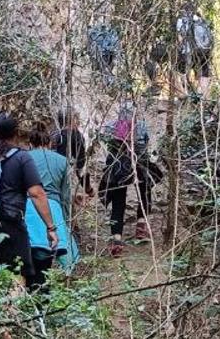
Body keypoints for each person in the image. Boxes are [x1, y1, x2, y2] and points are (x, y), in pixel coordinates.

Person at [0, 112, 57, 289]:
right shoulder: (21, 158)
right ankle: (14, 307)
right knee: (16, 275)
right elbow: (36, 193)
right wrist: (50, 227)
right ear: (16, 132)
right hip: (10, 226)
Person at [98, 107, 157, 257]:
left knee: (118, 203)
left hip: (117, 168)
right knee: (145, 191)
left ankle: (116, 240)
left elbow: (106, 144)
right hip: (138, 163)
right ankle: (141, 225)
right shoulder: (141, 127)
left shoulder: (111, 126)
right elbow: (145, 146)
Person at [25, 124, 79, 280]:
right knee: (59, 251)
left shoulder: (23, 159)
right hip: (53, 209)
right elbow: (66, 196)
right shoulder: (62, 161)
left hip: (27, 209)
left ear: (30, 143)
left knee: (29, 254)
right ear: (49, 143)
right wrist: (68, 220)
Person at [176, 4, 214, 97]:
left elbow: (180, 38)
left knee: (181, 70)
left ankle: (185, 94)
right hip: (204, 51)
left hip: (189, 51)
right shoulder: (201, 20)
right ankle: (204, 97)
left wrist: (180, 48)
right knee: (204, 71)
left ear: (183, 11)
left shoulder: (181, 20)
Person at [52, 109, 91, 196]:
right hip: (64, 175)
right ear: (72, 120)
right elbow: (80, 164)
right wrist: (88, 188)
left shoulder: (53, 134)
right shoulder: (76, 136)